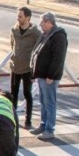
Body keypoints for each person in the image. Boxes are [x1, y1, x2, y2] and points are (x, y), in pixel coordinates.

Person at [29, 12, 68, 141]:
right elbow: (36, 53)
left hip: (49, 77)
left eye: (42, 22)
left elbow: (58, 58)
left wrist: (51, 75)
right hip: (41, 75)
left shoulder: (58, 36)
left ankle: (49, 129)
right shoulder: (45, 35)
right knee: (43, 102)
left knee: (49, 103)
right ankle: (43, 125)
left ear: (48, 22)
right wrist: (34, 72)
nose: (40, 25)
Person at [9, 7, 42, 129]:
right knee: (13, 94)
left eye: (20, 16)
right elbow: (12, 44)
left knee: (27, 93)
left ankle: (28, 121)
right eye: (18, 16)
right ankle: (12, 119)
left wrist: (35, 69)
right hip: (15, 66)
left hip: (28, 68)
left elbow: (38, 51)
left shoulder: (36, 33)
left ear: (28, 18)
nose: (18, 18)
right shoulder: (14, 30)